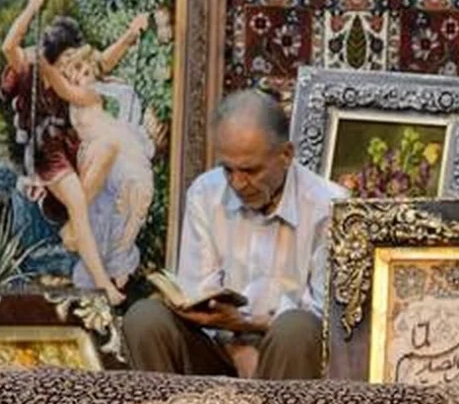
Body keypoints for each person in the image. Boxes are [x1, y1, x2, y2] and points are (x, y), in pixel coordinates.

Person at [120, 88, 338, 380]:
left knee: (296, 329)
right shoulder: (205, 193)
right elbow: (198, 295)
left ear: (286, 155)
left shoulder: (329, 207)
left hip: (290, 358)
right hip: (217, 351)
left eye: (250, 170)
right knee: (145, 319)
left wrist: (249, 324)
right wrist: (237, 348)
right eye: (227, 169)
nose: (237, 183)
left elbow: (326, 322)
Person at [0, 0, 160, 300]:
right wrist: (32, 8)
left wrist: (129, 35)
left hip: (70, 149)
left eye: (77, 61)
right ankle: (103, 285)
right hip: (46, 152)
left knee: (112, 169)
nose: (76, 68)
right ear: (54, 59)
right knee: (79, 206)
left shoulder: (76, 77)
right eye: (68, 62)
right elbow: (9, 46)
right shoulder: (33, 67)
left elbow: (102, 62)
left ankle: (100, 253)